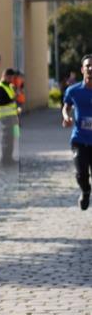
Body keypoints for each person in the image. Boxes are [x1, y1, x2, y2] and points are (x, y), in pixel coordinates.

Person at [62, 55, 92, 210]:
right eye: (88, 66)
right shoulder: (73, 91)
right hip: (79, 139)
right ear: (82, 69)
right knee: (81, 175)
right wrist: (66, 117)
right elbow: (66, 107)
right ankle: (86, 191)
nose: (91, 69)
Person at [0, 67, 19, 165]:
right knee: (7, 138)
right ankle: (5, 159)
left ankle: (9, 157)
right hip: (5, 116)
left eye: (12, 77)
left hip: (11, 115)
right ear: (5, 76)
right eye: (10, 77)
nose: (11, 79)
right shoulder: (0, 87)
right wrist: (12, 99)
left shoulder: (9, 86)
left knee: (11, 137)